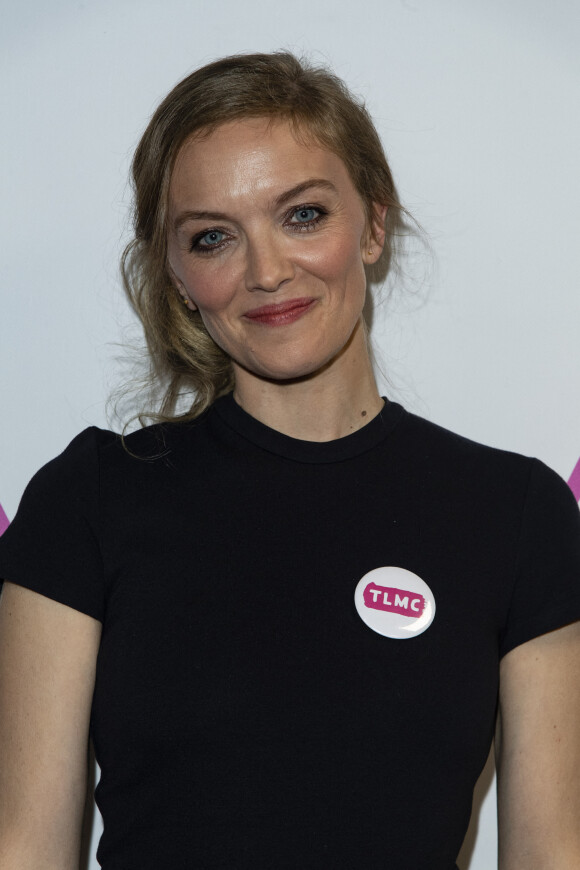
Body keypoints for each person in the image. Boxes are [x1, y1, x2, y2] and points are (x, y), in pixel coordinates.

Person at [0, 51, 579, 870]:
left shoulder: (515, 511)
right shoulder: (90, 499)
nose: (267, 272)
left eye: (302, 215)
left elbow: (555, 852)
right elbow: (23, 849)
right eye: (213, 237)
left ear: (374, 223)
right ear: (176, 274)